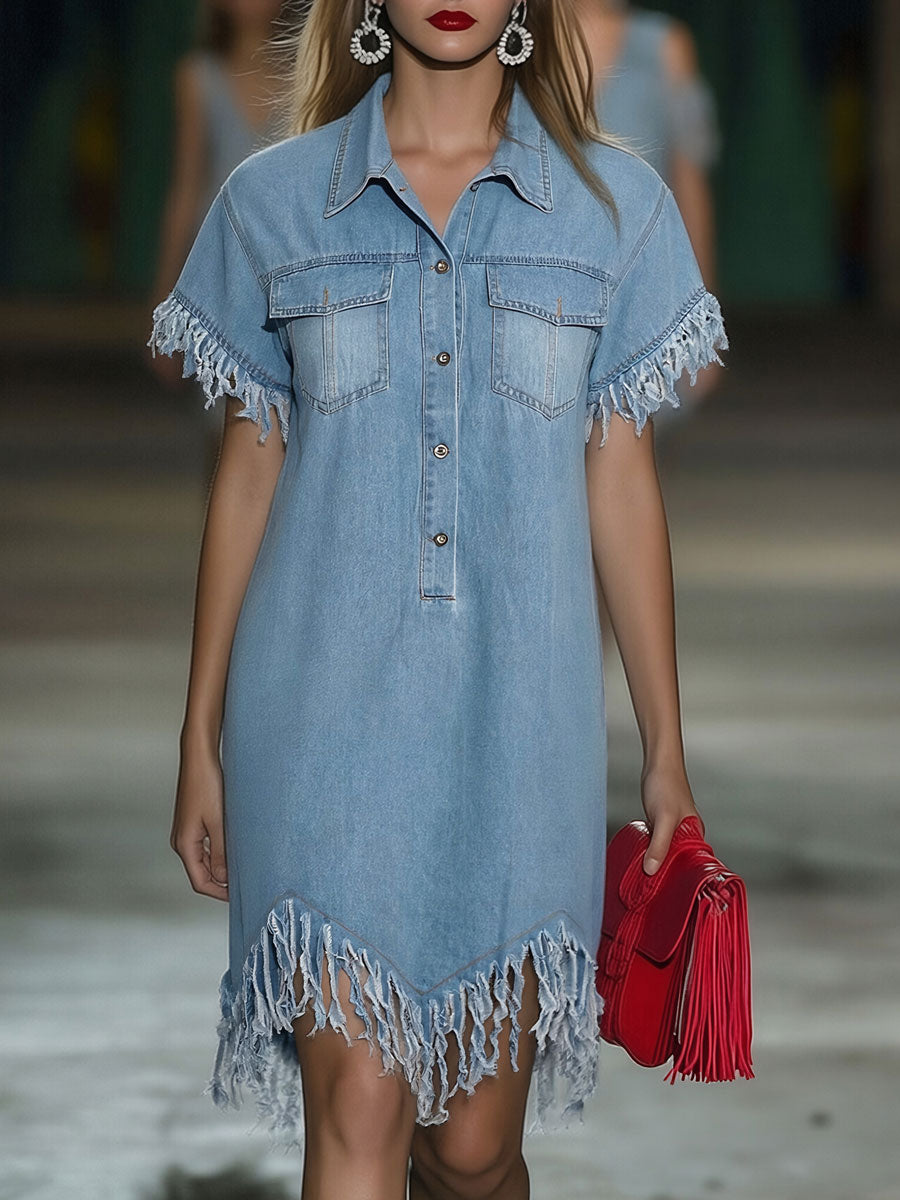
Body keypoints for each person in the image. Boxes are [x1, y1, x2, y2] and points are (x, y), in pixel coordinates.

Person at [147, 2, 728, 1197]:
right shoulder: (273, 202)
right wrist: (199, 735)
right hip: (318, 716)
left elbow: (622, 481)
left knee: (472, 1150)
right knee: (357, 1112)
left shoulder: (614, 209)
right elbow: (250, 468)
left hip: (520, 728)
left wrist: (665, 749)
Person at [575, 0, 723, 434]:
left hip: (641, 291)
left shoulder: (665, 45)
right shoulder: (517, 44)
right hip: (542, 289)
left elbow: (689, 177)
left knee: (632, 447)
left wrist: (702, 315)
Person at [147, 0, 286, 399]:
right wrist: (166, 302)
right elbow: (187, 186)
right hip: (221, 262)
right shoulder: (199, 77)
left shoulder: (307, 74)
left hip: (287, 258)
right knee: (222, 401)